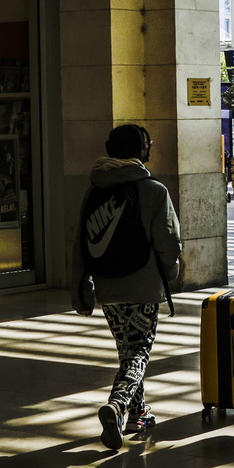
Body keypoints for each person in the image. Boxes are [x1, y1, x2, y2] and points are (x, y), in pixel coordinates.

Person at [72, 124, 182, 450]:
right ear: (142, 149)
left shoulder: (95, 190)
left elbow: (79, 244)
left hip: (107, 287)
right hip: (143, 286)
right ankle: (117, 404)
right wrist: (171, 272)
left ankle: (137, 415)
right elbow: (169, 241)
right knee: (138, 352)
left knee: (127, 351)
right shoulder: (153, 189)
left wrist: (80, 291)